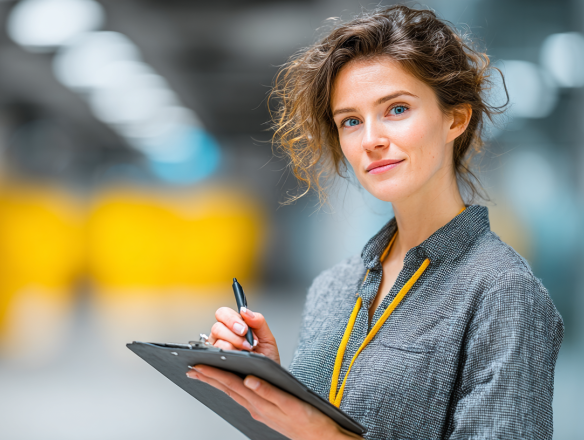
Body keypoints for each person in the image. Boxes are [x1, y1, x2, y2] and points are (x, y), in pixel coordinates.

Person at [185, 5, 564, 440]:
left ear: (455, 118)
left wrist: (326, 436)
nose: (371, 140)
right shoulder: (333, 287)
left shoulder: (502, 292)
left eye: (397, 109)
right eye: (350, 121)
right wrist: (272, 386)